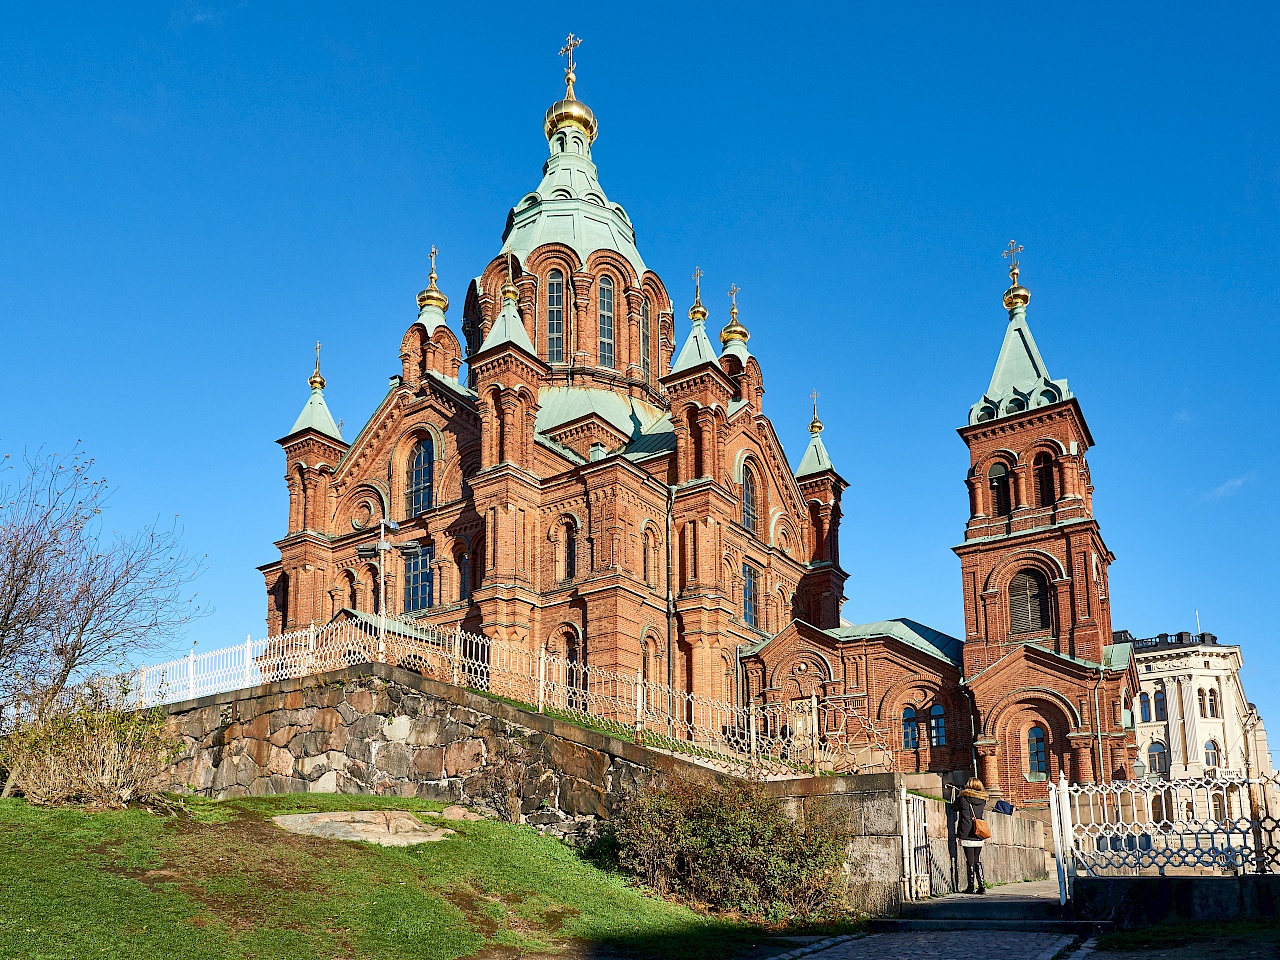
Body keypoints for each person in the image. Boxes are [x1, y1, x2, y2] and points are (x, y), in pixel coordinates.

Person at [955, 776, 989, 894]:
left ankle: (970, 886)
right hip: (979, 832)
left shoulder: (963, 799)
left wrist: (959, 794)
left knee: (969, 860)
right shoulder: (982, 800)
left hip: (967, 832)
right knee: (976, 859)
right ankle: (982, 886)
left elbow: (954, 807)